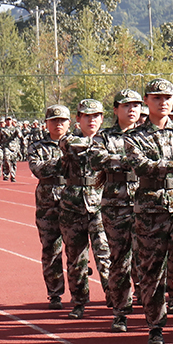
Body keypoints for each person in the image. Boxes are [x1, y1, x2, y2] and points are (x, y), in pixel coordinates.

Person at [125, 79, 173, 344]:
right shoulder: (134, 136)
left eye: (168, 97)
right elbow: (140, 166)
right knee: (151, 271)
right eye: (157, 98)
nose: (163, 102)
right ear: (147, 101)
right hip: (150, 209)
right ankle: (155, 325)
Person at [57, 99, 112, 318]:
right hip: (73, 206)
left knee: (104, 254)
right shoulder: (69, 140)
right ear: (78, 119)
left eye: (96, 116)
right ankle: (79, 301)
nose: (91, 120)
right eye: (86, 116)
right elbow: (72, 146)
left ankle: (112, 295)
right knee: (76, 257)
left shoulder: (108, 139)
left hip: (100, 204)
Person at [95, 89, 144, 333]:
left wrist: (120, 160)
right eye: (126, 105)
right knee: (119, 259)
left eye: (136, 105)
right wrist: (133, 161)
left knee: (148, 259)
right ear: (116, 110)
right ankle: (121, 311)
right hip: (116, 205)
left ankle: (153, 310)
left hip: (147, 203)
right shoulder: (104, 137)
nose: (132, 109)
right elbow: (97, 159)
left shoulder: (147, 134)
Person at [28, 105, 70, 308]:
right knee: (51, 249)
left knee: (77, 249)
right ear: (46, 123)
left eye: (62, 120)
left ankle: (80, 294)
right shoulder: (37, 147)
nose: (58, 123)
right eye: (54, 120)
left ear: (70, 123)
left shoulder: (78, 143)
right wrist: (65, 162)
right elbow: (38, 170)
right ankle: (55, 293)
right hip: (47, 205)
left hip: (74, 202)